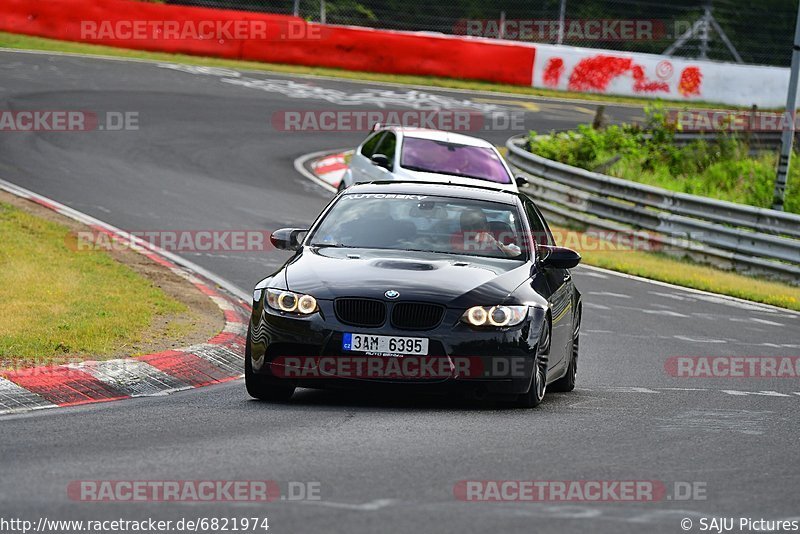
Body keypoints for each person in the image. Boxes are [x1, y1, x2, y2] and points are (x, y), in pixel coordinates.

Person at [454, 209, 521, 258]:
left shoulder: (501, 243)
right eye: (466, 227)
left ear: (487, 227)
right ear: (461, 229)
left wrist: (496, 244)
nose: (472, 231)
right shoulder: (454, 241)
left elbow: (518, 255)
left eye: (477, 226)